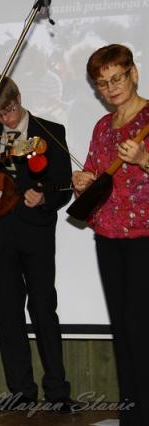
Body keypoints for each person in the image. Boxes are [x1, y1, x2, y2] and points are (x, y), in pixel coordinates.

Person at [0, 75, 74, 413]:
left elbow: (64, 184)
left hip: (36, 233)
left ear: (18, 97)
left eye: (9, 110)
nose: (6, 119)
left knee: (43, 309)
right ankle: (21, 390)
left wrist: (44, 196)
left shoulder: (50, 131)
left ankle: (58, 392)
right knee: (8, 313)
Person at [72, 44, 149, 426]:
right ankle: (132, 414)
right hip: (108, 238)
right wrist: (82, 182)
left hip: (145, 238)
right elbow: (94, 178)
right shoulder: (102, 127)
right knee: (122, 328)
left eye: (117, 78)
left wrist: (144, 159)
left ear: (134, 73)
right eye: (102, 84)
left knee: (141, 328)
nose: (111, 88)